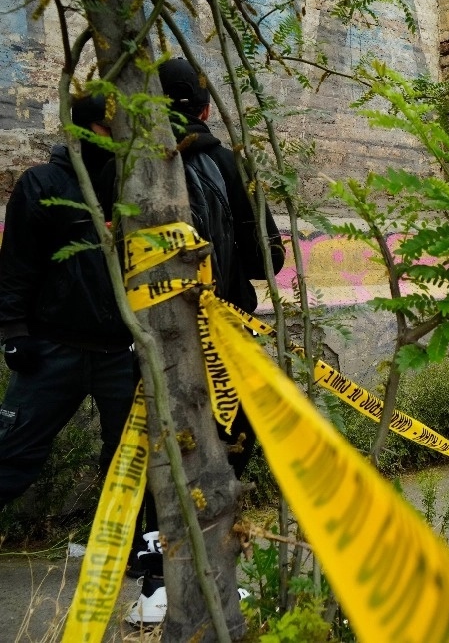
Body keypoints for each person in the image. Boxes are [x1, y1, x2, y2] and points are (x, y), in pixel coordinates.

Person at [122, 58, 286, 624]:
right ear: (207, 106)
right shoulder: (226, 163)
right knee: (219, 451)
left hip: (150, 330)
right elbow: (273, 256)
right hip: (223, 332)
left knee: (157, 450)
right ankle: (210, 585)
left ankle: (154, 590)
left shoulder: (130, 164)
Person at [0, 95, 137, 511]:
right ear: (85, 130)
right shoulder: (42, 185)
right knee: (12, 453)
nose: (120, 141)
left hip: (120, 352)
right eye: (110, 131)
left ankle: (131, 552)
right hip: (51, 350)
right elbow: (16, 266)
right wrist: (14, 332)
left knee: (130, 462)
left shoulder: (133, 188)